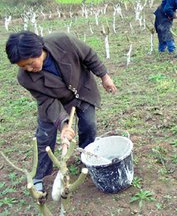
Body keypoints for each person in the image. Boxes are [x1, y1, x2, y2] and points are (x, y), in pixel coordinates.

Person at [5, 31, 117, 192]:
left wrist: (104, 76)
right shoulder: (25, 78)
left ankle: (86, 157)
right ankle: (40, 175)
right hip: (55, 101)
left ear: (39, 50)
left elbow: (89, 55)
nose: (29, 69)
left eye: (30, 63)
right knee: (45, 135)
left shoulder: (63, 41)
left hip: (82, 89)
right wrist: (63, 125)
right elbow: (47, 101)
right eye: (23, 66)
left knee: (89, 125)